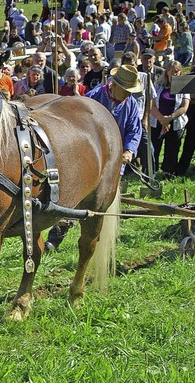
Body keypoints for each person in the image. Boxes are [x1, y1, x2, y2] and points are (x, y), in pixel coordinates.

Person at [46, 65, 142, 251]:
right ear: (114, 85)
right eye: (126, 91)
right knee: (73, 198)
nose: (129, 95)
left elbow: (134, 129)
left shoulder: (130, 104)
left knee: (101, 203)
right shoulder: (93, 98)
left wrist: (129, 150)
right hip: (89, 159)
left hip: (114, 161)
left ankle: (97, 239)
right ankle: (55, 238)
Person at [149, 62, 190, 177]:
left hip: (176, 122)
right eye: (172, 71)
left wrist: (170, 118)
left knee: (172, 148)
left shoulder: (184, 87)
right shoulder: (157, 86)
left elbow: (184, 106)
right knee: (154, 147)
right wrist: (161, 119)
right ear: (167, 72)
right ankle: (152, 170)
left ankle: (168, 172)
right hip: (157, 121)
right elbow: (151, 105)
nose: (175, 74)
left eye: (177, 71)